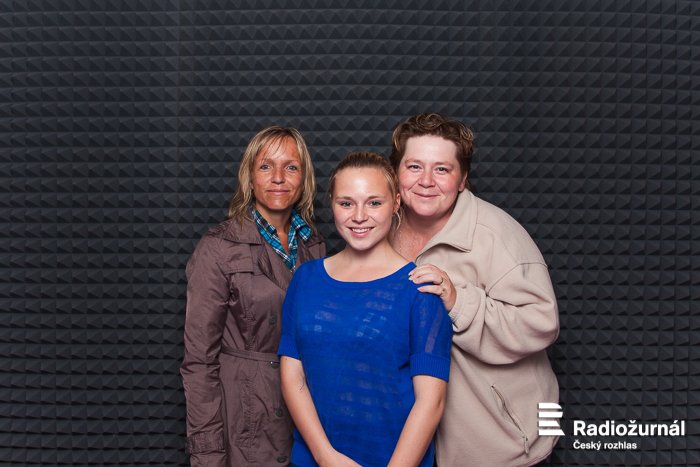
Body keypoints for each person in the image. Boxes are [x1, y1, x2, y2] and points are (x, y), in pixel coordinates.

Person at [389, 113, 560, 466]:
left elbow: (542, 323)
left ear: (463, 179)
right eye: (414, 166)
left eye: (442, 169)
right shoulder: (379, 228)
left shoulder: (496, 234)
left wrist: (459, 302)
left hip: (497, 443)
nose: (426, 181)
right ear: (395, 173)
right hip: (410, 441)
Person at [279, 152, 452, 467]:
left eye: (374, 203)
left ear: (395, 203)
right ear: (332, 204)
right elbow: (293, 377)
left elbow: (432, 402)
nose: (359, 216)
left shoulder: (420, 289)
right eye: (346, 203)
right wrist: (326, 457)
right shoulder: (305, 279)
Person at [181, 126, 326, 466]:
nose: (278, 177)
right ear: (249, 175)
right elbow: (199, 363)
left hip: (305, 418)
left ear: (304, 178)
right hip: (244, 421)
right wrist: (207, 453)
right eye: (266, 166)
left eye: (291, 167)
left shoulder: (315, 245)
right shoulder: (217, 248)